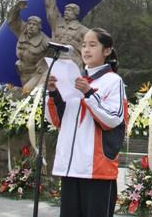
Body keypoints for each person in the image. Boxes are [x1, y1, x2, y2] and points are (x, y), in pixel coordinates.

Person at [45, 28, 127, 217]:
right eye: (83, 45)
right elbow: (58, 120)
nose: (86, 50)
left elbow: (114, 119)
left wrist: (89, 93)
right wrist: (53, 92)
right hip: (71, 166)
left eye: (92, 45)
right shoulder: (74, 79)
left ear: (107, 51)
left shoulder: (114, 81)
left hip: (96, 168)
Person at [41, 0, 89, 67]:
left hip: (72, 63)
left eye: (70, 10)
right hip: (55, 61)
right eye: (66, 10)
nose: (66, 12)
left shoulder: (83, 30)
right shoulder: (58, 24)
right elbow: (51, 8)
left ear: (75, 14)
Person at [6, 0, 50, 94]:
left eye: (34, 25)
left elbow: (57, 54)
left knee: (26, 93)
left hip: (36, 73)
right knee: (25, 96)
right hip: (23, 72)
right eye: (29, 23)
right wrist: (16, 9)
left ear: (39, 27)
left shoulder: (45, 40)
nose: (31, 26)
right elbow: (12, 22)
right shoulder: (22, 31)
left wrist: (44, 64)